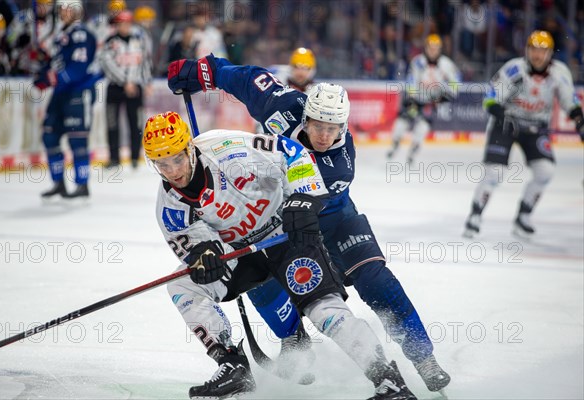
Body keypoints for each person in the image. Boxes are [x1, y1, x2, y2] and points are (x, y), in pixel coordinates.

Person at [167, 55, 451, 393]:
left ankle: (423, 358)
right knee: (258, 274)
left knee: (374, 279)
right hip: (272, 213)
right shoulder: (282, 105)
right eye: (318, 125)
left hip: (331, 218)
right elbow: (245, 78)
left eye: (334, 129)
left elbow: (306, 205)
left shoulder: (340, 165)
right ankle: (294, 338)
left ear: (344, 127)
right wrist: (203, 72)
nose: (324, 135)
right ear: (305, 115)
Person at [143, 111, 417, 400]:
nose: (173, 171)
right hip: (241, 251)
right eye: (162, 164)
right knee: (181, 284)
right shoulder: (170, 207)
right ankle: (232, 365)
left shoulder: (226, 149)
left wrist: (304, 196)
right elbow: (192, 245)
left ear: (189, 149)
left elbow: (293, 152)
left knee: (323, 310)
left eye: (177, 158)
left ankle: (388, 379)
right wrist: (203, 256)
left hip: (285, 232)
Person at [463, 30, 584, 238]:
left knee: (545, 171)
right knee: (494, 173)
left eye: (542, 51)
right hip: (506, 124)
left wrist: (579, 121)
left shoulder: (559, 73)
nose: (537, 55)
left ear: (549, 54)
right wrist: (498, 111)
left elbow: (569, 100)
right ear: (527, 50)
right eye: (534, 50)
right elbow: (491, 96)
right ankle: (475, 215)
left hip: (536, 128)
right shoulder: (514, 69)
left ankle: (523, 216)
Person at [36, 0, 98, 199]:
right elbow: (54, 63)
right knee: (49, 136)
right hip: (61, 94)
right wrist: (42, 75)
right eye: (61, 8)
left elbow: (78, 68)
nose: (63, 12)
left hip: (78, 93)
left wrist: (54, 78)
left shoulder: (82, 34)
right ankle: (58, 182)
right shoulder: (60, 34)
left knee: (77, 140)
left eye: (67, 8)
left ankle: (82, 185)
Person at [387, 34, 461, 165]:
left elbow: (456, 83)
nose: (433, 51)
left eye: (436, 48)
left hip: (431, 102)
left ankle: (413, 152)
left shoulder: (447, 64)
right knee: (401, 123)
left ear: (440, 49)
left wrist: (445, 97)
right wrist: (412, 98)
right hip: (414, 99)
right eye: (430, 48)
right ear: (425, 48)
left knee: (422, 128)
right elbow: (411, 81)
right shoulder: (418, 62)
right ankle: (395, 144)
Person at [99, 10, 152, 169]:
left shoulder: (139, 41)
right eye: (121, 23)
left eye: (128, 23)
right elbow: (107, 64)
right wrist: (125, 82)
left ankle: (135, 157)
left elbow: (145, 63)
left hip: (135, 88)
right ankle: (114, 158)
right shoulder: (110, 42)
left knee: (135, 123)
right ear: (117, 25)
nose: (125, 26)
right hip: (115, 88)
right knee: (112, 123)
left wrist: (147, 81)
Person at [4, 0, 56, 76]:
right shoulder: (23, 17)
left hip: (45, 71)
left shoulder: (56, 23)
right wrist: (18, 40)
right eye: (40, 4)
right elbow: (8, 38)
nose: (43, 8)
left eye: (47, 5)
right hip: (22, 69)